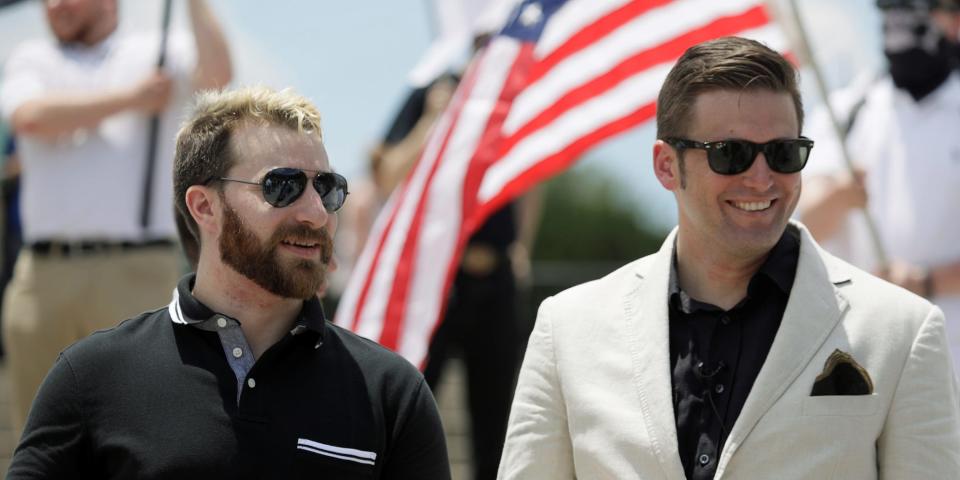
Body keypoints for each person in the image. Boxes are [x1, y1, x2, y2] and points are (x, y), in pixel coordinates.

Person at [498, 36, 960, 479]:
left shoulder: (903, 332)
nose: (762, 179)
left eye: (783, 153)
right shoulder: (567, 330)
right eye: (731, 154)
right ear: (665, 165)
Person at [6, 86, 451, 479]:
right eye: (283, 186)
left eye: (328, 188)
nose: (317, 213)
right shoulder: (90, 376)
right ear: (204, 207)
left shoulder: (392, 392)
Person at [0, 0, 232, 438]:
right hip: (42, 275)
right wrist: (133, 98)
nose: (53, 6)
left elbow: (218, 78)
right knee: (41, 439)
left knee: (141, 432)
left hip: (137, 268)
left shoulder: (158, 50)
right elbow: (30, 118)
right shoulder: (32, 57)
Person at [799, 0, 960, 373]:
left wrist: (927, 283)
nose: (903, 18)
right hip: (858, 359)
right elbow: (805, 224)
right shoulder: (847, 111)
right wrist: (839, 195)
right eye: (892, 5)